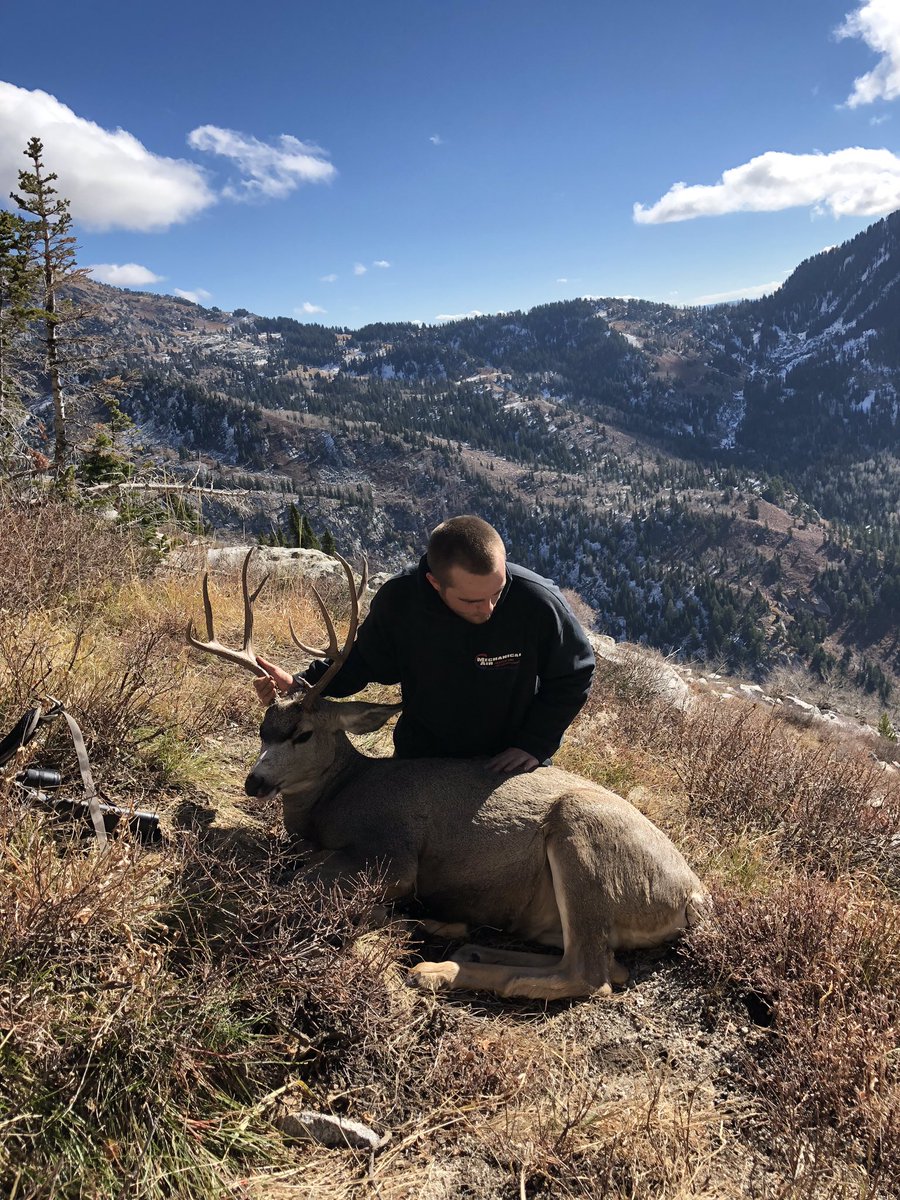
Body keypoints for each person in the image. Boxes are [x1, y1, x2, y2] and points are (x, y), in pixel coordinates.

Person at [254, 515, 595, 773]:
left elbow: (574, 673)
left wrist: (534, 744)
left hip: (507, 761)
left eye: (497, 592)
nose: (489, 609)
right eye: (471, 601)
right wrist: (301, 684)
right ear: (434, 583)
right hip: (424, 758)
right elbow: (363, 663)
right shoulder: (401, 602)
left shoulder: (536, 602)